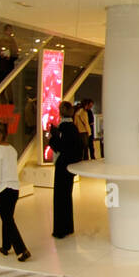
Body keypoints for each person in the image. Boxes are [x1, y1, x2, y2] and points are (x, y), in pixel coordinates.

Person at [0, 121, 29, 262]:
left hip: (3, 189)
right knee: (8, 217)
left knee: (8, 220)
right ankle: (5, 246)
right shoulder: (12, 149)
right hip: (14, 189)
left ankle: (21, 249)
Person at [48, 101, 84, 239]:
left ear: (61, 112)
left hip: (62, 165)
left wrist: (51, 140)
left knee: (60, 197)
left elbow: (60, 146)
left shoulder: (62, 127)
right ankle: (68, 227)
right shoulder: (74, 127)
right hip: (71, 165)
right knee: (67, 196)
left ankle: (60, 230)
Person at [0, 25, 19, 95]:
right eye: (8, 30)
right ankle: (3, 104)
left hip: (8, 66)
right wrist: (1, 56)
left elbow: (16, 54)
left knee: (8, 86)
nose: (9, 32)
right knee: (1, 88)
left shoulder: (13, 42)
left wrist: (10, 57)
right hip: (1, 66)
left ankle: (8, 104)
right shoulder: (1, 41)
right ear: (5, 31)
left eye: (10, 30)